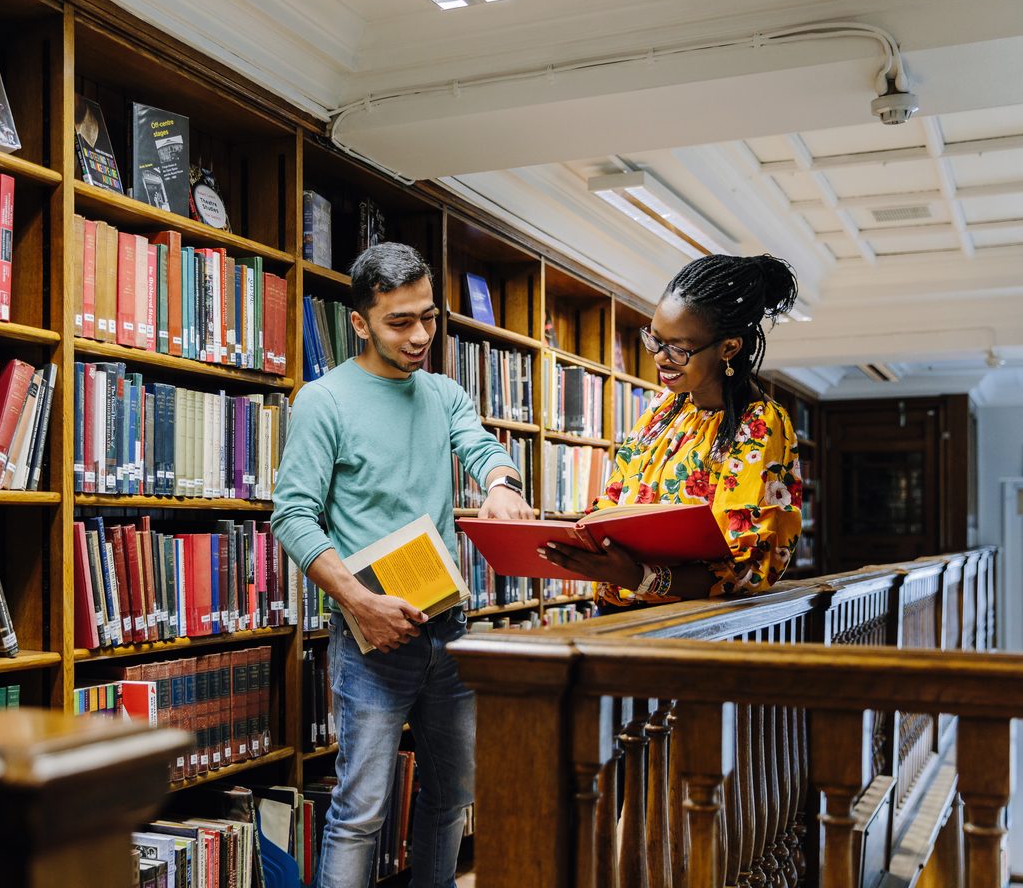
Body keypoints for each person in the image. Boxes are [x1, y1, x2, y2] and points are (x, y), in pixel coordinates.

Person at [271, 242, 531, 888]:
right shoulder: (323, 401)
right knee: (361, 810)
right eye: (400, 322)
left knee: (450, 796)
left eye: (429, 317)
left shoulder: (443, 394)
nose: (420, 336)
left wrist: (502, 484)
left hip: (450, 631)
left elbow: (481, 447)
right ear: (359, 323)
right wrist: (360, 603)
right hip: (371, 638)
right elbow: (293, 516)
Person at [541, 254, 804, 605]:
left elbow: (746, 568)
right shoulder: (662, 407)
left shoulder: (759, 426)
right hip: (616, 617)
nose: (660, 358)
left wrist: (637, 577)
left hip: (687, 632)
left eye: (677, 349)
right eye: (655, 340)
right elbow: (615, 497)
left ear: (729, 347)